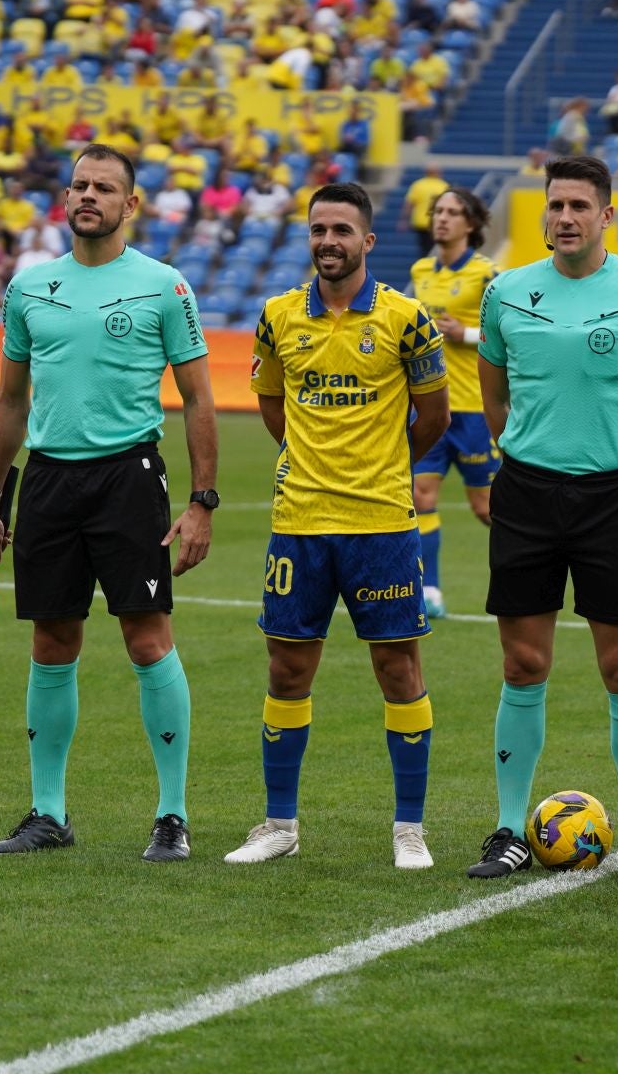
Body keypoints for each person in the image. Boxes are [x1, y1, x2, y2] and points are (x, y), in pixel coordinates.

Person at [0, 144, 217, 862]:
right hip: (49, 479)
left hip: (129, 478)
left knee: (147, 640)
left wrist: (202, 500)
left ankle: (171, 815)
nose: (87, 195)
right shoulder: (28, 288)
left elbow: (199, 398)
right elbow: (10, 401)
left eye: (103, 187)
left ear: (130, 205)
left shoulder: (163, 287)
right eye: (79, 184)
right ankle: (48, 813)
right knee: (52, 644)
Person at [466, 155, 618, 886]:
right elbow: (494, 393)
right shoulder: (506, 292)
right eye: (555, 204)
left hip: (611, 499)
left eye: (579, 206)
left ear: (606, 215)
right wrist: (521, 455)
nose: (565, 217)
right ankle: (505, 828)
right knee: (522, 664)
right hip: (527, 495)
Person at [225, 182, 451, 871]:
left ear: (368, 241)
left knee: (398, 668)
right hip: (299, 521)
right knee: (287, 668)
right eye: (319, 229)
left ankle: (408, 829)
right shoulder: (277, 315)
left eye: (342, 231)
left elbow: (433, 414)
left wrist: (382, 466)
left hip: (381, 523)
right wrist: (308, 461)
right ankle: (279, 823)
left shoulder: (408, 319)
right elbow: (271, 403)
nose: (329, 241)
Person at [408, 187, 500, 619]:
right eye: (437, 211)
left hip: (476, 410)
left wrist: (462, 334)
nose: (442, 219)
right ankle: (430, 591)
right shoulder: (421, 269)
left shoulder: (488, 275)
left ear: (472, 224)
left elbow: (513, 337)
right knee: (420, 495)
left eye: (452, 212)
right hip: (431, 407)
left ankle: (537, 566)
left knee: (486, 508)